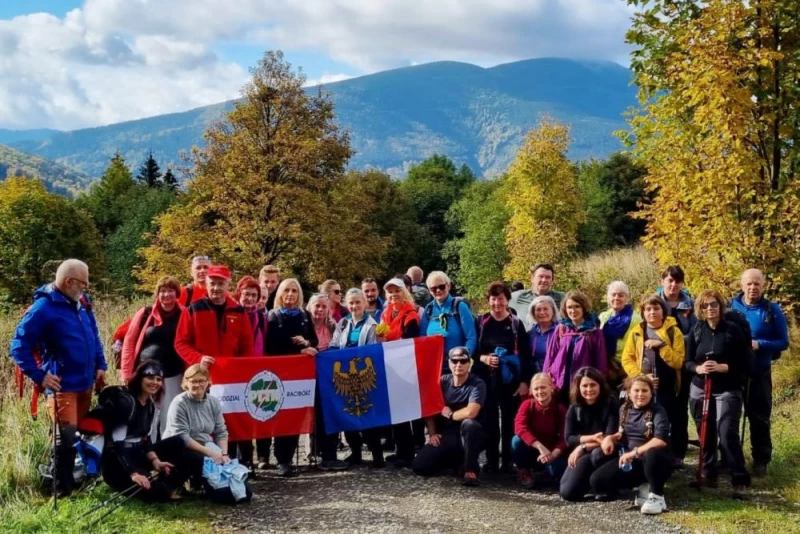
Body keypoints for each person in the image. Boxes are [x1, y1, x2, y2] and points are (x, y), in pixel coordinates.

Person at [10, 259, 107, 497]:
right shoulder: (43, 308)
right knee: (65, 437)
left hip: (85, 382)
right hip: (62, 385)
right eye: (83, 283)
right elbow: (18, 346)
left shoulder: (82, 302)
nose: (86, 287)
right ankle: (60, 489)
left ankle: (70, 482)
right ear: (69, 282)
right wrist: (40, 375)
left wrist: (101, 364)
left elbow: (93, 335)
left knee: (76, 436)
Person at [174, 265, 254, 469]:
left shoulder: (238, 311)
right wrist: (198, 358)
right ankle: (198, 470)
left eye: (221, 284)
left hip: (230, 380)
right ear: (205, 284)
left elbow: (247, 345)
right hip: (201, 379)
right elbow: (181, 343)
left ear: (228, 284)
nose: (216, 288)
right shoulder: (193, 308)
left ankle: (233, 464)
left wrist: (242, 370)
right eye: (212, 284)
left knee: (230, 423)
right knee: (199, 425)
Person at [265, 279, 342, 475]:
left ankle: (326, 455)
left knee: (317, 413)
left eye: (294, 291)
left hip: (305, 375)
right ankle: (284, 460)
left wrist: (307, 342)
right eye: (287, 290)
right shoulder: (273, 317)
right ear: (281, 293)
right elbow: (270, 347)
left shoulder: (303, 315)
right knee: (287, 417)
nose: (290, 294)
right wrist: (296, 350)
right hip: (283, 374)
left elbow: (313, 340)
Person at [685, 290, 752, 490]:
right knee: (705, 432)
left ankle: (739, 477)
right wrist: (698, 368)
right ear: (700, 309)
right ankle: (708, 472)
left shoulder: (733, 330)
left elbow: (747, 361)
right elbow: (687, 361)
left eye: (713, 304)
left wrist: (725, 367)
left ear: (720, 306)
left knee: (726, 431)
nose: (710, 309)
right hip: (700, 387)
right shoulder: (696, 331)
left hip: (727, 387)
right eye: (705, 306)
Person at [101, 361, 193, 502]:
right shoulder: (126, 403)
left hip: (138, 454)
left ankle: (165, 484)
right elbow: (117, 445)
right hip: (118, 462)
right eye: (150, 378)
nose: (155, 383)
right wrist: (133, 473)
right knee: (159, 492)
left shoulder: (150, 404)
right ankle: (160, 487)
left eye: (158, 379)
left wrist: (156, 461)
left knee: (181, 444)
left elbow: (146, 438)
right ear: (139, 379)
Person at [730, 268, 789, 477]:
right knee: (730, 417)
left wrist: (760, 344)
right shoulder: (731, 307)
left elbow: (783, 342)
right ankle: (729, 458)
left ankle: (761, 461)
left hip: (760, 371)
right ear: (742, 284)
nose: (753, 287)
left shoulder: (772, 310)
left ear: (763, 285)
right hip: (735, 372)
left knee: (759, 417)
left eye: (757, 284)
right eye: (749, 283)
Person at [163, 364, 252, 503]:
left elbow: (220, 431)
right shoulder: (179, 403)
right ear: (186, 383)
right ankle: (177, 486)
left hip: (206, 445)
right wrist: (210, 453)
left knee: (245, 491)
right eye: (193, 381)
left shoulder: (213, 402)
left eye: (201, 381)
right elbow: (183, 437)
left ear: (208, 382)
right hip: (180, 447)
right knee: (222, 495)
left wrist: (223, 455)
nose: (198, 385)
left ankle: (209, 485)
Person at [591, 375, 673, 514]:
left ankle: (657, 496)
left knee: (652, 453)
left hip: (655, 460)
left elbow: (660, 440)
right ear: (629, 392)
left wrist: (634, 452)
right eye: (636, 390)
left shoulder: (658, 411)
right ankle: (643, 485)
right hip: (632, 461)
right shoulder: (624, 409)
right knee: (597, 481)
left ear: (651, 393)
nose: (640, 394)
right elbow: (622, 433)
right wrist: (610, 438)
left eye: (644, 391)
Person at [474, 281, 532, 473]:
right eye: (493, 299)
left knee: (509, 421)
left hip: (511, 381)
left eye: (501, 299)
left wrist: (525, 381)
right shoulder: (481, 322)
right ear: (488, 301)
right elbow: (473, 352)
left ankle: (507, 461)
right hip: (487, 379)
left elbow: (525, 355)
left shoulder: (516, 323)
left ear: (507, 300)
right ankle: (491, 461)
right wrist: (484, 358)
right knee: (490, 421)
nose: (497, 303)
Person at [121, 276, 187, 437]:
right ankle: (143, 452)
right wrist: (126, 372)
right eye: (163, 291)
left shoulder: (185, 313)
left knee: (170, 415)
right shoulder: (145, 313)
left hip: (173, 373)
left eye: (170, 290)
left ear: (177, 293)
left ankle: (166, 453)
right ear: (157, 294)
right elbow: (129, 342)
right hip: (146, 373)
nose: (166, 295)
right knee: (145, 414)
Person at [621, 295, 684, 459]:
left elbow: (678, 362)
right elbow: (627, 359)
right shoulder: (636, 332)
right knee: (644, 420)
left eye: (656, 308)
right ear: (643, 313)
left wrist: (662, 346)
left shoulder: (673, 331)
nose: (652, 312)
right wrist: (642, 377)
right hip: (643, 387)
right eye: (648, 309)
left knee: (665, 421)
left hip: (667, 386)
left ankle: (667, 457)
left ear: (663, 311)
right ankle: (641, 454)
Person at [412, 347, 486, 487]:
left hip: (470, 436)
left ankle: (470, 470)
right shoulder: (442, 381)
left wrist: (451, 414)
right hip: (447, 435)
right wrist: (433, 433)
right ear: (449, 363)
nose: (459, 365)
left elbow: (471, 412)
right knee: (420, 466)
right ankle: (456, 462)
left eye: (463, 361)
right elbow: (430, 409)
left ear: (469, 363)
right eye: (455, 361)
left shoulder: (477, 383)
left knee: (469, 424)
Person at [330, 288, 384, 467]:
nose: (354, 306)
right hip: (346, 374)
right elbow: (334, 345)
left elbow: (372, 350)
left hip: (363, 375)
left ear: (365, 303)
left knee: (368, 415)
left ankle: (377, 455)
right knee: (348, 413)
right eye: (351, 302)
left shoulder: (372, 325)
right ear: (346, 304)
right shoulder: (343, 323)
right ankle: (355, 453)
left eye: (358, 302)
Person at [559, 367, 619, 502]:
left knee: (597, 455)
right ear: (578, 387)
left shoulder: (610, 403)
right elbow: (569, 439)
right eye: (584, 385)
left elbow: (609, 436)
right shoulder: (574, 407)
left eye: (593, 385)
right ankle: (590, 483)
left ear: (600, 385)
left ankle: (606, 487)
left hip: (605, 451)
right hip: (585, 453)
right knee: (567, 492)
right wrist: (591, 438)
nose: (589, 389)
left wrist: (582, 447)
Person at [656, 265, 696, 467]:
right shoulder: (654, 303)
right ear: (662, 280)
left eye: (677, 281)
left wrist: (678, 341)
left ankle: (679, 453)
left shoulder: (690, 304)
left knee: (680, 410)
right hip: (658, 363)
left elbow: (697, 333)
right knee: (659, 408)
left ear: (682, 283)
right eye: (669, 280)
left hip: (682, 362)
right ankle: (660, 450)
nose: (673, 285)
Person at [379, 277, 421, 466]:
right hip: (391, 368)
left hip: (406, 368)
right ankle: (400, 449)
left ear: (405, 293)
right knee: (396, 411)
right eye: (390, 292)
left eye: (397, 291)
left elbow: (408, 343)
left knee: (405, 411)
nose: (393, 295)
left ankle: (408, 453)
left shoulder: (411, 315)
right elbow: (382, 336)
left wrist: (387, 343)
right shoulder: (386, 313)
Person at [544, 291, 607, 406]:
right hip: (559, 383)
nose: (573, 311)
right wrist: (545, 380)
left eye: (577, 306)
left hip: (583, 384)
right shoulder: (561, 329)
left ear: (584, 307)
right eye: (569, 307)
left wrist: (598, 383)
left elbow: (600, 360)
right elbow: (550, 357)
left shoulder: (594, 331)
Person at [512, 373, 567, 489]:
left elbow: (565, 436)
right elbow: (520, 427)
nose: (540, 392)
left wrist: (553, 454)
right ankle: (524, 471)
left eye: (543, 387)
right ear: (532, 391)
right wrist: (540, 447)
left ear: (551, 387)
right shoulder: (527, 405)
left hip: (552, 451)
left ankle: (544, 474)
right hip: (533, 448)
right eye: (536, 389)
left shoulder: (560, 409)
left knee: (557, 469)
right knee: (516, 441)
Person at [419, 271, 477, 376]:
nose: (438, 290)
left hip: (457, 366)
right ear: (429, 291)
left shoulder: (459, 306)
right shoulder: (429, 309)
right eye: (433, 288)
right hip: (435, 366)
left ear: (448, 286)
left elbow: (471, 337)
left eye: (441, 287)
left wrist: (464, 358)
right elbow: (422, 337)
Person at [599, 281, 642, 388]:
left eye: (621, 295)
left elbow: (639, 347)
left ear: (627, 298)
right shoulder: (603, 316)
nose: (616, 298)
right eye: (613, 295)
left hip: (626, 367)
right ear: (608, 297)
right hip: (606, 365)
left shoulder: (635, 319)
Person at [509, 264, 565, 330]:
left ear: (552, 281)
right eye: (540, 276)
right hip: (525, 338)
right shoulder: (517, 297)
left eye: (548, 277)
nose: (544, 280)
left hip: (552, 338)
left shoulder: (562, 299)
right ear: (532, 278)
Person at [527, 296, 560, 374]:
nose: (542, 312)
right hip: (534, 376)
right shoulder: (530, 333)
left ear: (553, 311)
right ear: (533, 313)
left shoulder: (560, 331)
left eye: (545, 309)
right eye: (538, 310)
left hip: (555, 376)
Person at [235, 276, 267, 356]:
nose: (250, 298)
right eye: (246, 294)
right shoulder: (231, 314)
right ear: (239, 294)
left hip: (255, 362)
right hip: (234, 361)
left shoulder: (261, 317)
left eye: (254, 295)